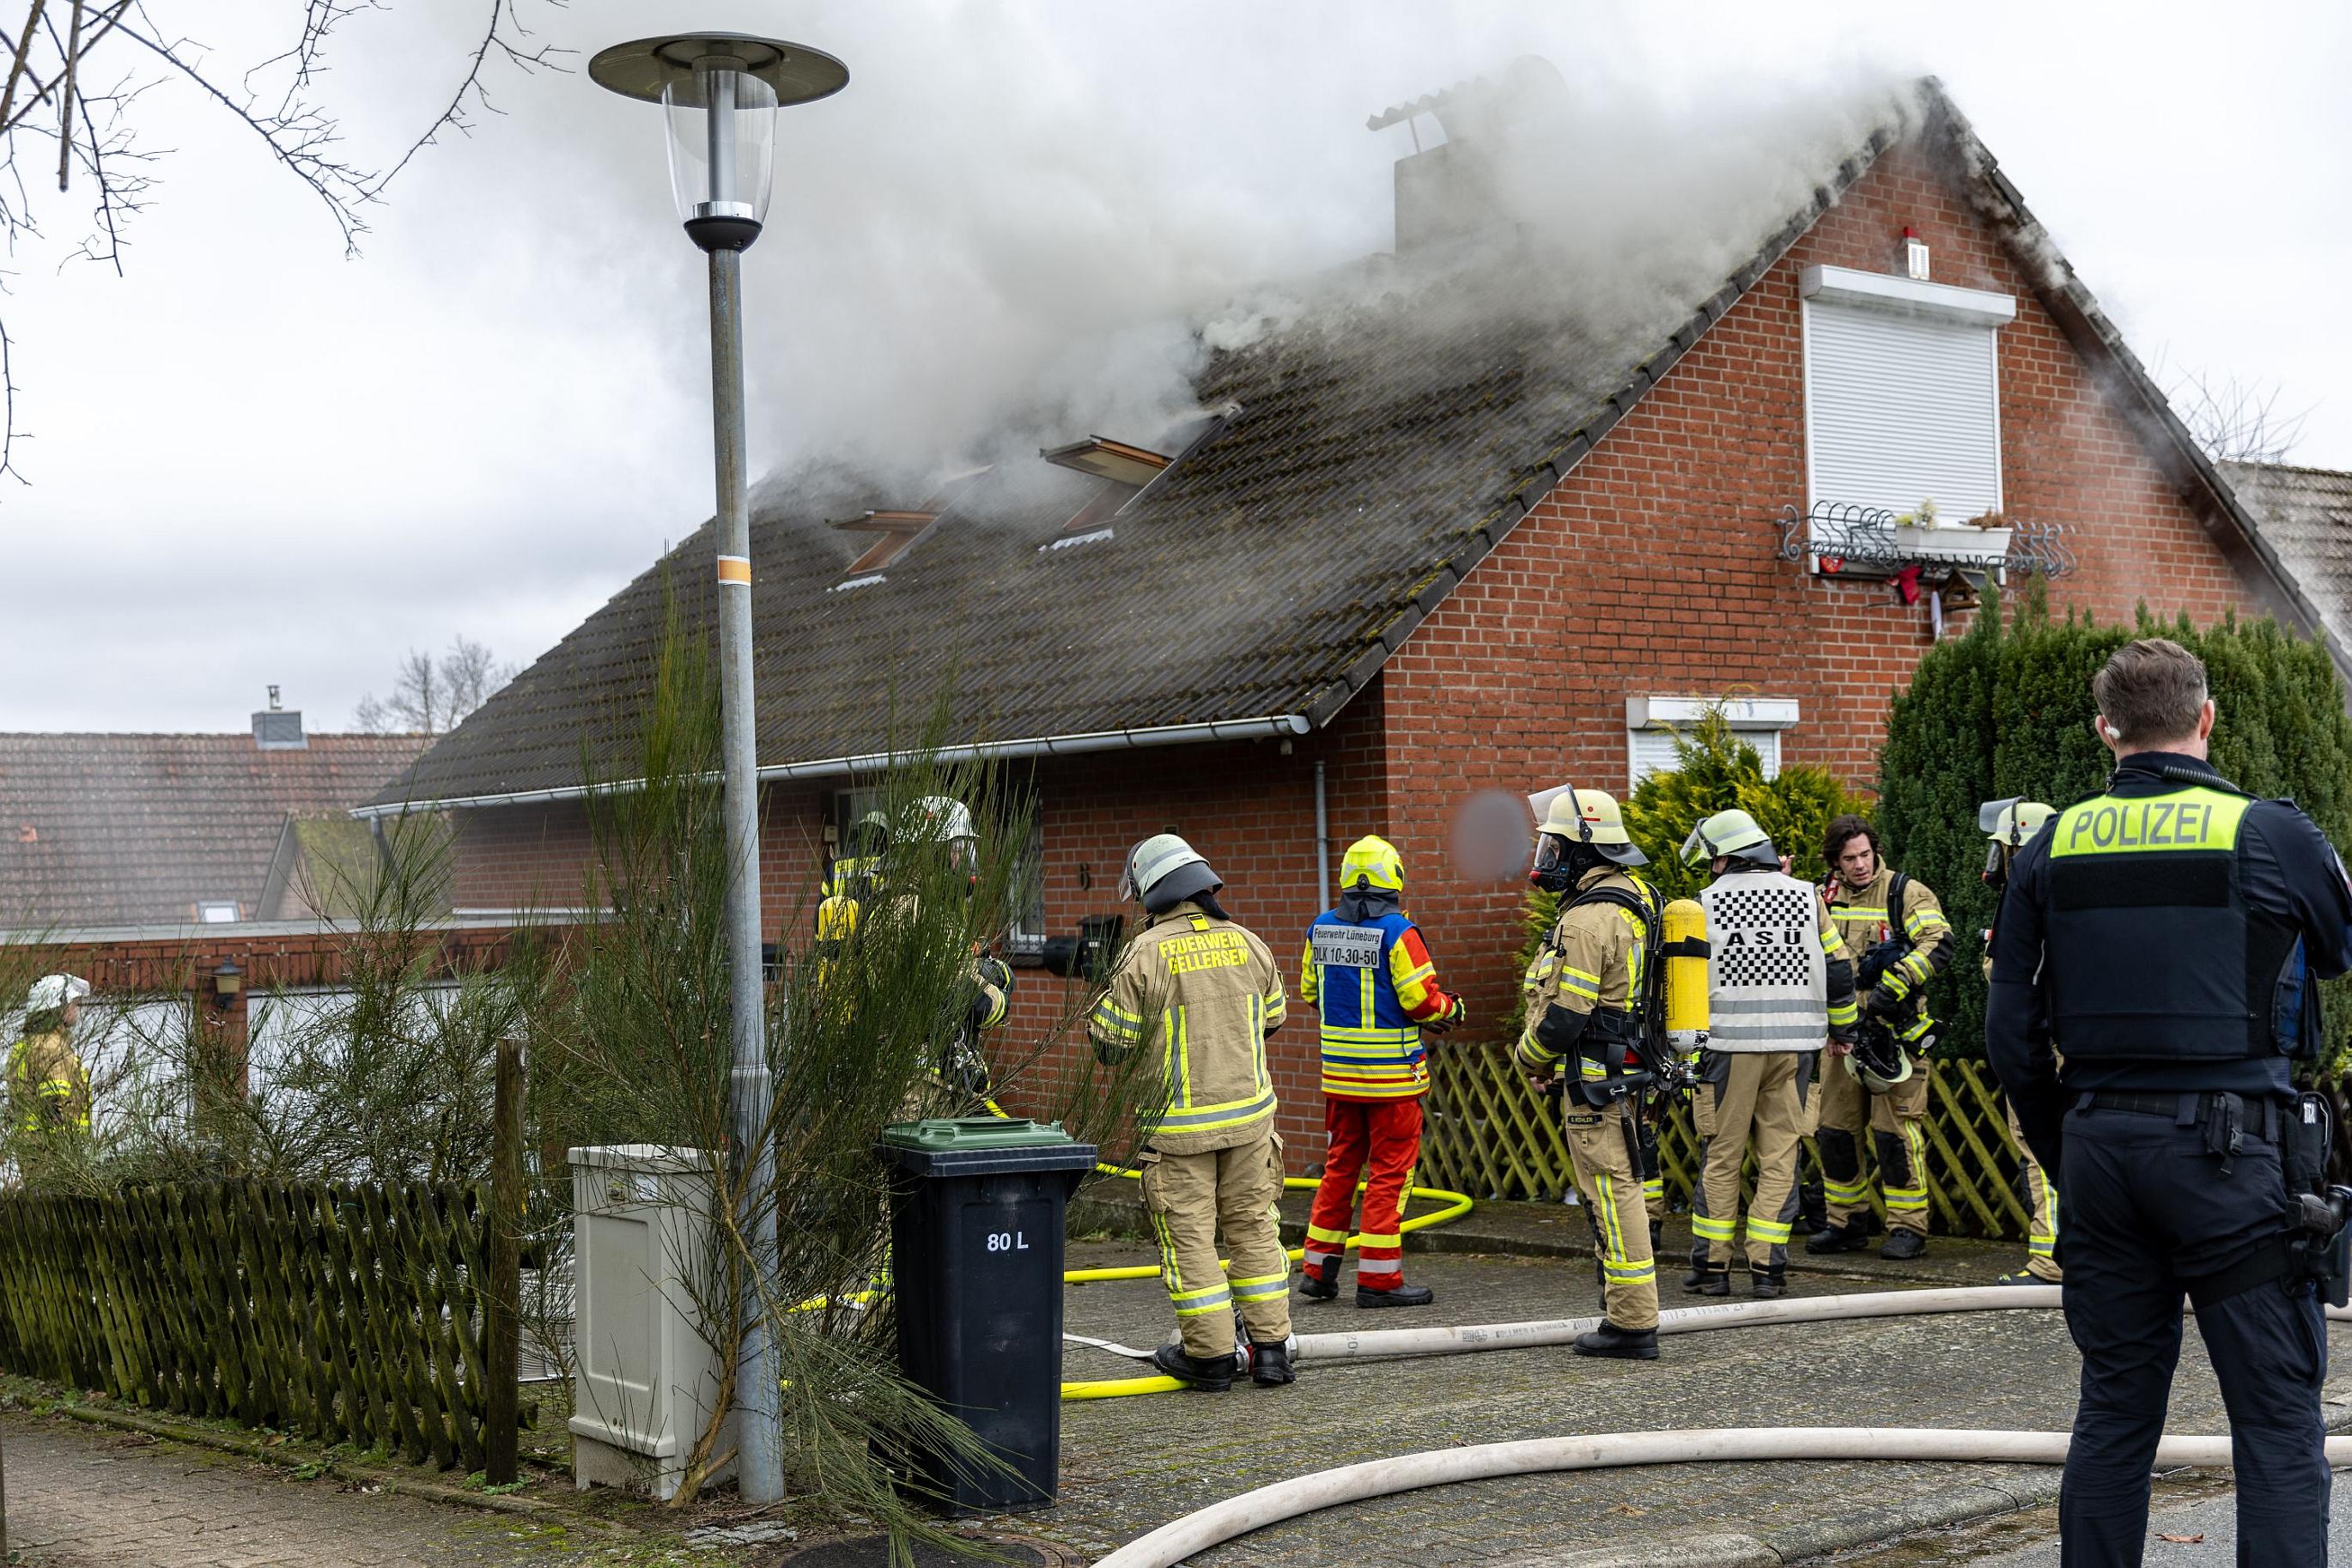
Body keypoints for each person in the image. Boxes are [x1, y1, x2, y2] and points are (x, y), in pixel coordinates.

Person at [1989, 636, 2352, 1567]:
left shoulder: (2051, 844)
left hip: (2101, 1154)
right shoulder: (2269, 832)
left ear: (2104, 729)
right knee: (2276, 1424)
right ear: (2206, 717)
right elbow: (2338, 946)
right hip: (2232, 1160)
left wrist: (2067, 1150)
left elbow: (2009, 1030)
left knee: (2114, 1411)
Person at [1088, 833, 1295, 1390]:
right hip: (1251, 1124)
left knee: (1191, 1241)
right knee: (1255, 1229)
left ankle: (1210, 1358)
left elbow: (1111, 1043)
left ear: (1149, 893)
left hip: (1179, 1134)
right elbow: (1273, 1019)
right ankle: (1271, 1351)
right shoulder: (1248, 942)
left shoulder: (1143, 954)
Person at [1513, 787, 1668, 1358]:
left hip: (1597, 1080)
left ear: (1584, 849)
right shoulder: (1641, 897)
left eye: (1555, 847)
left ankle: (1631, 1324)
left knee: (1610, 1190)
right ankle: (1626, 1312)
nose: (1547, 859)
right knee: (1625, 1184)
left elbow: (1565, 1016)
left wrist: (1528, 1058)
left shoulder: (1584, 920)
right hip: (1635, 1069)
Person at [1681, 810, 1857, 1298]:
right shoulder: (1806, 896)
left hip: (1728, 1049)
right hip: (1796, 1049)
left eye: (1714, 859)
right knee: (1781, 1157)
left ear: (1728, 858)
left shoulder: (1704, 904)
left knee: (1722, 1156)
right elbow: (1838, 968)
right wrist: (1843, 1030)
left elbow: (1682, 984)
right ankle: (1768, 1270)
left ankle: (1712, 1268)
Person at [1295, 835, 1464, 1309]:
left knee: (1340, 1169)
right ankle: (1379, 1280)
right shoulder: (1398, 932)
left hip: (1340, 1080)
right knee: (1390, 1176)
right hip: (1392, 1081)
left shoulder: (1320, 929)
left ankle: (1317, 1272)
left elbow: (1310, 992)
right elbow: (1421, 1002)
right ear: (1395, 879)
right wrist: (1452, 1008)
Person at [1808, 816, 1953, 1261]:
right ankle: (1844, 1223)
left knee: (1895, 1135)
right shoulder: (1819, 898)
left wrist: (1897, 981)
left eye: (1865, 854)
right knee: (1835, 1132)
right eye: (1849, 858)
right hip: (1841, 1036)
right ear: (1835, 861)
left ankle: (1908, 1227)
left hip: (1894, 1036)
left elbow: (1939, 942)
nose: (1860, 865)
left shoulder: (1906, 892)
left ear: (1875, 850)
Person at [1978, 796, 2061, 1285]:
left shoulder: (2030, 903)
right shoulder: (2055, 893)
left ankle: (2052, 1261)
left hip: (2041, 1049)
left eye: (2000, 851)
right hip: (2057, 1043)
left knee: (2041, 1146)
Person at [9, 974, 93, 1143]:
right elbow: (56, 1105)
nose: (76, 1009)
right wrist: (66, 1147)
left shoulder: (31, 1043)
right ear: (59, 1009)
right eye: (72, 1004)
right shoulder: (50, 1047)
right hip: (52, 1147)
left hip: (36, 1144)